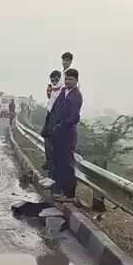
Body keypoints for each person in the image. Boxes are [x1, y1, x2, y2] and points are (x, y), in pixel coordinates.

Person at [49, 67, 83, 201]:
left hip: (68, 135)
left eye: (71, 79)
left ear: (76, 80)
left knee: (67, 164)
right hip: (58, 133)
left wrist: (61, 125)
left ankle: (70, 194)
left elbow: (74, 118)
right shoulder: (64, 91)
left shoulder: (76, 95)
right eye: (66, 79)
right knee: (59, 162)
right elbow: (56, 108)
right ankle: (60, 190)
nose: (68, 81)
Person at [41, 70, 63, 176]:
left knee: (53, 152)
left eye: (56, 80)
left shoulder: (61, 94)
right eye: (52, 80)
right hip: (49, 127)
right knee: (48, 149)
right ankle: (50, 170)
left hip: (55, 128)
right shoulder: (53, 95)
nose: (54, 82)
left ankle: (53, 173)